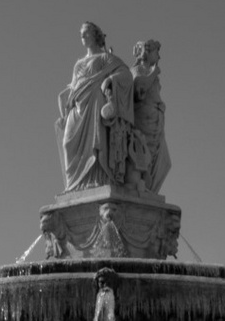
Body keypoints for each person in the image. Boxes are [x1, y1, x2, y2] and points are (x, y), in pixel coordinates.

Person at [56, 22, 135, 192]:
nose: (82, 37)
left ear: (95, 35)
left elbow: (126, 74)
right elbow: (74, 85)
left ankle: (97, 179)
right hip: (78, 105)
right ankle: (75, 184)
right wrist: (65, 98)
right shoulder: (78, 64)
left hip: (95, 102)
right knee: (67, 143)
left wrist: (110, 80)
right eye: (81, 34)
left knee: (96, 141)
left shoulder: (106, 58)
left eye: (86, 33)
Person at [127, 39, 171, 193]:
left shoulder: (152, 74)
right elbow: (139, 89)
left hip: (156, 120)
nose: (159, 57)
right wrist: (154, 72)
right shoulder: (137, 70)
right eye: (156, 52)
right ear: (147, 52)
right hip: (144, 119)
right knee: (145, 157)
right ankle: (144, 188)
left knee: (164, 163)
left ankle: (149, 190)